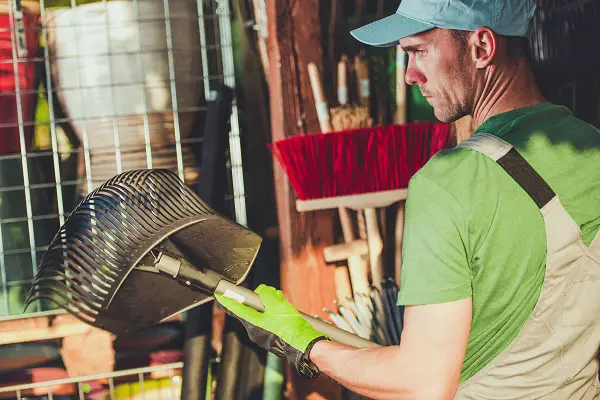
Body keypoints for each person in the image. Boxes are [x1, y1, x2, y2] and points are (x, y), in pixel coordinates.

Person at [216, 0, 600, 398]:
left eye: (418, 51)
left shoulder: (448, 182)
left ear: (482, 47)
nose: (410, 76)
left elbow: (422, 384)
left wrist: (304, 343)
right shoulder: (591, 147)